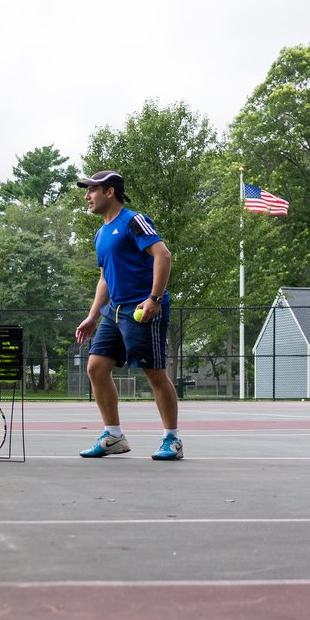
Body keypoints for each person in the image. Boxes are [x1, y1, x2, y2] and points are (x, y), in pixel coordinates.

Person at [73, 170, 183, 461]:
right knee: (96, 367)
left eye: (92, 191)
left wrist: (154, 299)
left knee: (155, 374)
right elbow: (105, 279)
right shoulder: (100, 233)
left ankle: (172, 440)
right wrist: (93, 315)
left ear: (110, 192)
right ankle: (114, 436)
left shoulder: (133, 220)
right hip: (114, 310)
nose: (87, 197)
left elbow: (163, 255)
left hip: (142, 308)